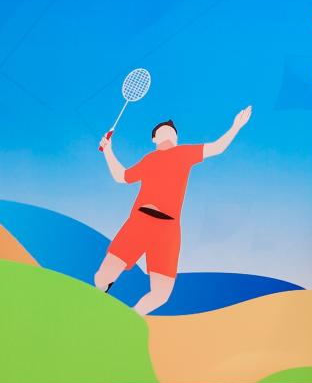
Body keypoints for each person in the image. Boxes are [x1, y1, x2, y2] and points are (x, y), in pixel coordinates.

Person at [96, 107, 251, 314]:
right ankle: (97, 303)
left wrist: (236, 126)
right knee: (101, 278)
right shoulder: (149, 160)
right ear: (154, 139)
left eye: (173, 131)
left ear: (177, 140)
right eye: (163, 129)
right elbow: (122, 176)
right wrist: (108, 150)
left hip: (168, 232)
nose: (170, 130)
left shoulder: (184, 153)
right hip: (139, 222)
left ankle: (129, 319)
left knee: (161, 294)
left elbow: (217, 147)